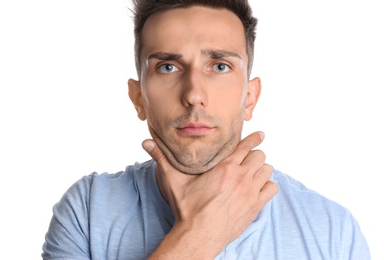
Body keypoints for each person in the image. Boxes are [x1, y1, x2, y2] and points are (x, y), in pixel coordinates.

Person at [42, 0, 370, 259]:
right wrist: (201, 234)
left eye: (220, 66)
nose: (194, 94)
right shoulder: (87, 211)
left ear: (250, 97)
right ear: (138, 97)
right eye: (167, 67)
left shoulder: (332, 230)